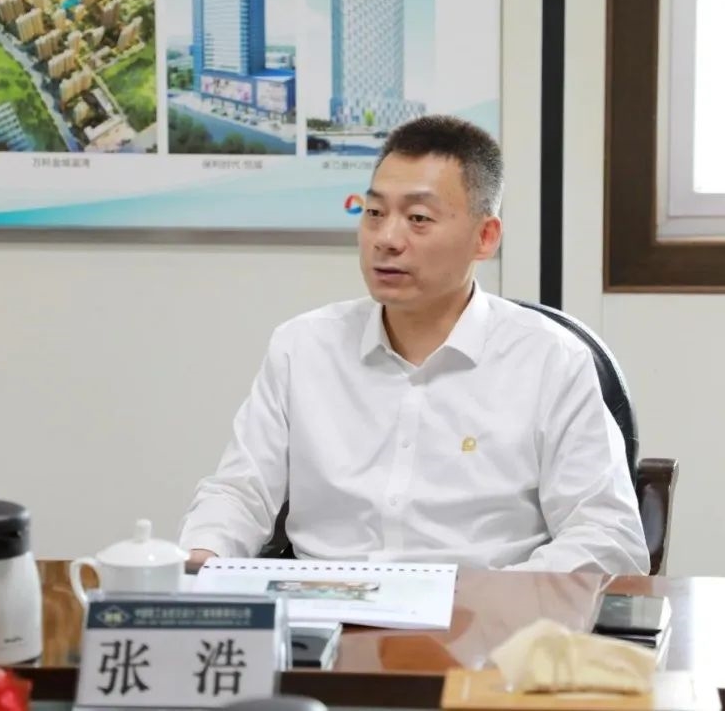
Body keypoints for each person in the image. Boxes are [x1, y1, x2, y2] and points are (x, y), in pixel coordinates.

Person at [179, 115, 648, 574]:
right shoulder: (302, 347)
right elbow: (238, 492)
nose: (386, 239)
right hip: (321, 608)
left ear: (485, 237)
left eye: (418, 218)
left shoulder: (550, 360)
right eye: (374, 213)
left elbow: (607, 536)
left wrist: (492, 602)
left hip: (482, 616)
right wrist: (203, 556)